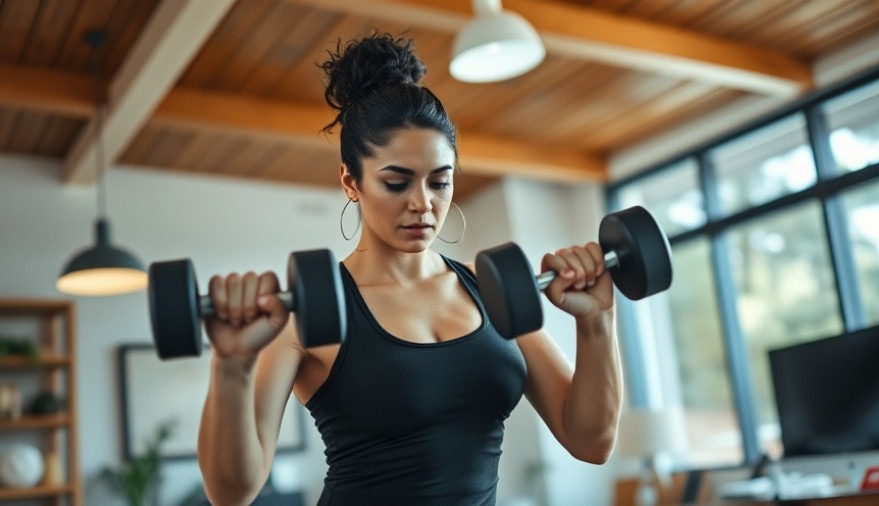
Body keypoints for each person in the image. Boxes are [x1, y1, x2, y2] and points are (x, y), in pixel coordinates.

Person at [196, 32, 622, 506]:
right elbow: (230, 493)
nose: (423, 204)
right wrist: (230, 365)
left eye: (440, 182)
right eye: (396, 182)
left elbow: (591, 442)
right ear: (350, 182)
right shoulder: (309, 308)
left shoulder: (491, 289)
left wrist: (596, 321)